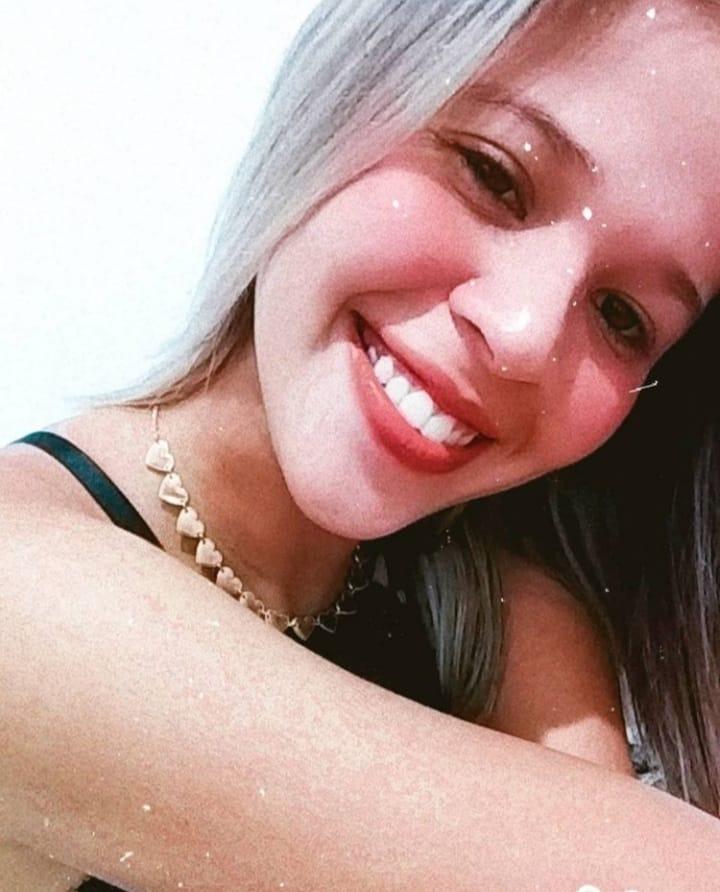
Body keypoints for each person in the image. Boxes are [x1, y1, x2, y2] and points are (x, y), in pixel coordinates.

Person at [1, 0, 719, 889]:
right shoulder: (21, 589)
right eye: (493, 174)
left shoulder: (499, 607)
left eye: (622, 316)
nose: (524, 334)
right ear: (339, 94)